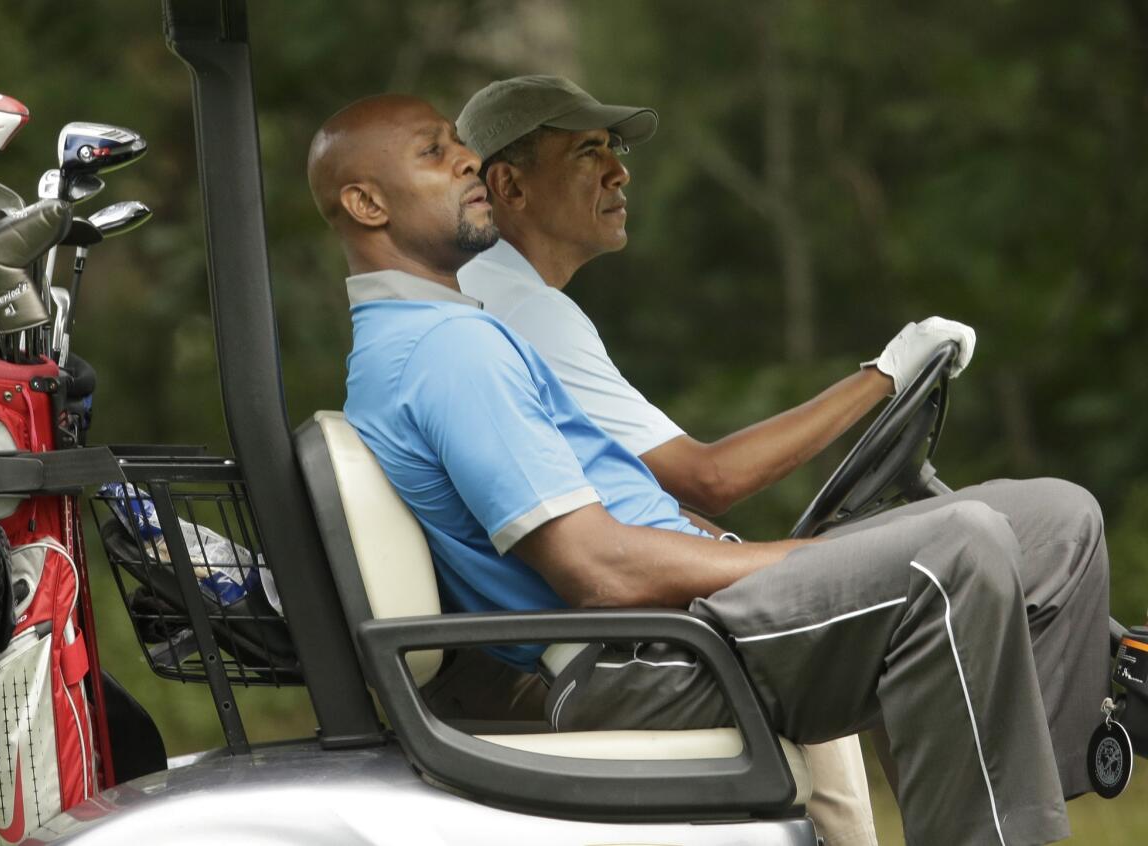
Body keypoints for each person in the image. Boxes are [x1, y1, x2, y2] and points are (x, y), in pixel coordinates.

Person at [309, 93, 1112, 846]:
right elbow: (596, 570)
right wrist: (797, 559)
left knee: (1052, 517)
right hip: (639, 658)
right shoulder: (449, 351)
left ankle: (1027, 803)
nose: (466, 162)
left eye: (459, 144)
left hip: (681, 630)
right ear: (367, 205)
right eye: (434, 152)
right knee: (961, 546)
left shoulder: (451, 331)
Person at [453, 76, 978, 845]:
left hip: (584, 626)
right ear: (509, 184)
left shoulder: (498, 295)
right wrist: (886, 374)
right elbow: (709, 476)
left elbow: (647, 492)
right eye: (589, 150)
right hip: (589, 645)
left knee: (848, 599)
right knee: (897, 607)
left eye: (616, 150)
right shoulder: (524, 310)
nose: (619, 172)